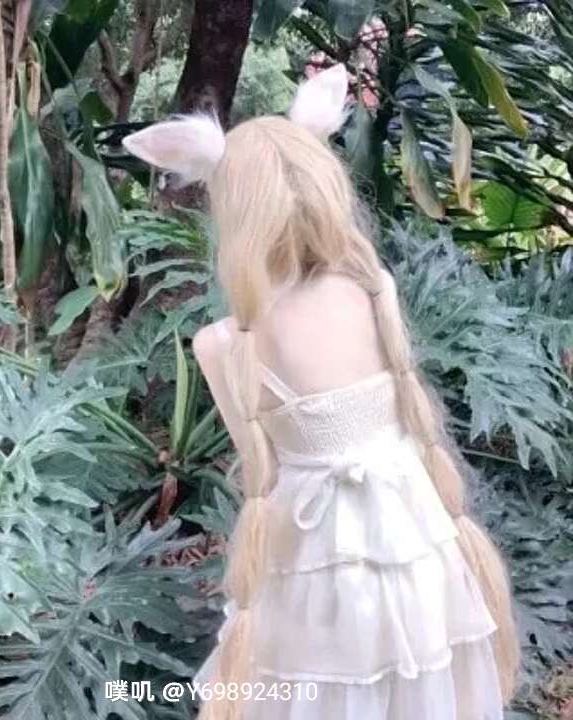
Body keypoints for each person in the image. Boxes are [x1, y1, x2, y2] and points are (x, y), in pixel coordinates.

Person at [123, 65, 518, 720]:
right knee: (421, 679)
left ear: (232, 208)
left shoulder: (226, 342)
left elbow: (264, 468)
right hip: (417, 542)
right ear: (325, 183)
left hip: (311, 565)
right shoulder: (374, 291)